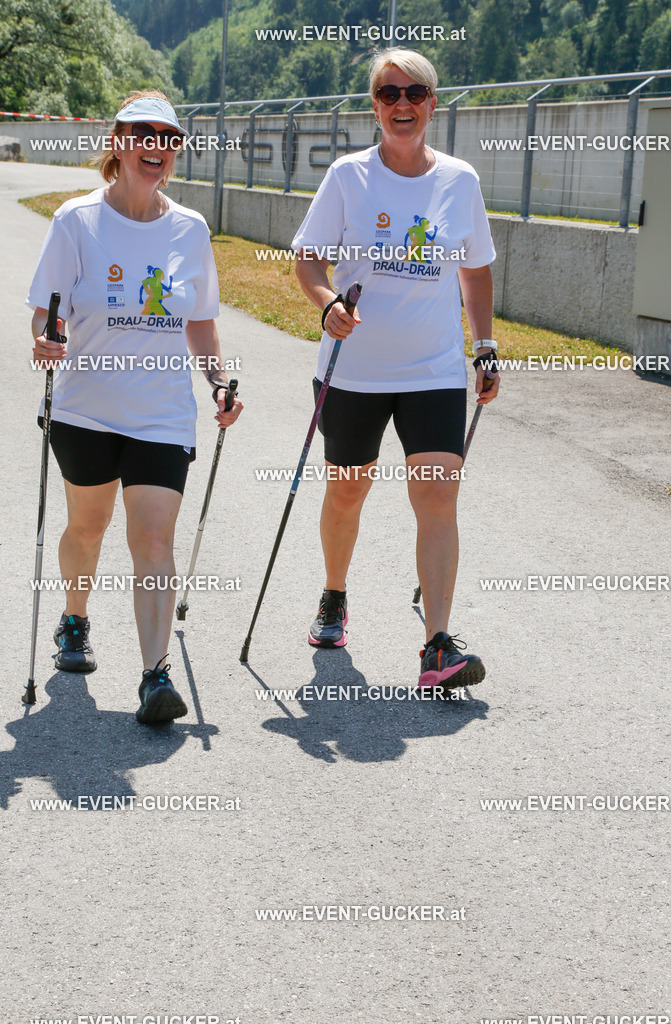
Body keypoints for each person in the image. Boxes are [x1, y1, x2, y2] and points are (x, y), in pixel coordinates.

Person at [27, 90, 243, 724]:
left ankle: (154, 675)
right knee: (86, 529)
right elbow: (47, 308)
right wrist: (47, 337)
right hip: (85, 410)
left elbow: (200, 321)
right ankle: (74, 617)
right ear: (117, 140)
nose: (156, 148)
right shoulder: (76, 221)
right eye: (143, 134)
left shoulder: (189, 229)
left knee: (152, 537)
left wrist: (219, 381)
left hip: (162, 414)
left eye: (168, 138)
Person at [292, 48, 500, 691]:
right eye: (389, 94)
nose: (402, 103)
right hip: (353, 369)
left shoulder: (459, 180)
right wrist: (327, 304)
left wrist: (484, 346)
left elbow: (475, 269)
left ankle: (437, 644)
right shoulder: (349, 177)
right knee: (348, 489)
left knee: (438, 495)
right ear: (375, 106)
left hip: (433, 369)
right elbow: (307, 262)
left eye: (415, 92)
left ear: (433, 103)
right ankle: (333, 594)